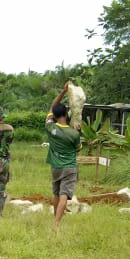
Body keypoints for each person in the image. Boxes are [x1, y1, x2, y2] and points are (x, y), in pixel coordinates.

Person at [45, 83, 81, 230]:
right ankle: (56, 223)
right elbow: (78, 149)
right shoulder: (74, 133)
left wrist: (63, 92)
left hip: (56, 167)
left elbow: (52, 106)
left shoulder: (50, 127)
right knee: (64, 195)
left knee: (56, 193)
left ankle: (55, 218)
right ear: (66, 114)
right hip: (69, 167)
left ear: (54, 115)